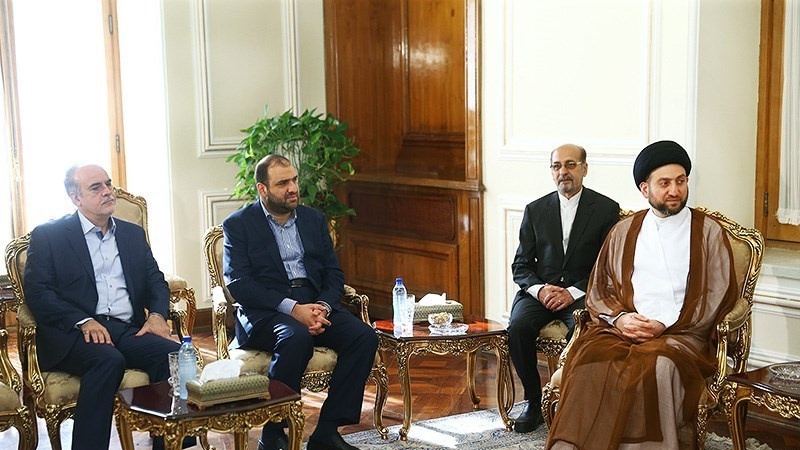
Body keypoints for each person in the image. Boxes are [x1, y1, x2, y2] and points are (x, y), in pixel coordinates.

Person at [545, 140, 739, 450]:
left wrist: (664, 325)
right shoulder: (625, 230)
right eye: (665, 183)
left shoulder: (707, 232)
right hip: (625, 329)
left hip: (682, 333)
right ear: (645, 189)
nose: (675, 190)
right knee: (588, 359)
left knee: (659, 367)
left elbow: (716, 292)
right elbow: (602, 287)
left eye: (681, 181)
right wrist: (621, 319)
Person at [24, 164, 188, 450]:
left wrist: (157, 315)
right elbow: (38, 293)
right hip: (74, 333)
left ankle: (170, 444)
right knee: (108, 360)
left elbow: (155, 280)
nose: (108, 192)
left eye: (108, 184)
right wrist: (83, 320)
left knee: (173, 355)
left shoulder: (132, 234)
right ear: (76, 198)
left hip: (125, 329)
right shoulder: (50, 236)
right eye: (96, 187)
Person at [223, 154, 378, 450]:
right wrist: (292, 309)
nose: (293, 188)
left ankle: (327, 432)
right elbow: (239, 283)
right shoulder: (238, 224)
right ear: (262, 189)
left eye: (294, 180)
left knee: (363, 336)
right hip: (267, 311)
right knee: (295, 337)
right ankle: (273, 433)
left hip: (314, 303)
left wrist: (323, 307)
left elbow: (333, 273)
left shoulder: (313, 220)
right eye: (283, 183)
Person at [507, 144, 620, 433]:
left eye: (570, 165)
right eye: (556, 166)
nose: (563, 172)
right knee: (518, 328)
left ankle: (573, 402)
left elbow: (608, 266)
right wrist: (540, 290)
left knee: (582, 332)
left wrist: (573, 292)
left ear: (584, 168)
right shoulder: (535, 210)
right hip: (541, 292)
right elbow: (521, 265)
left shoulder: (606, 209)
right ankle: (534, 402)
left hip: (583, 293)